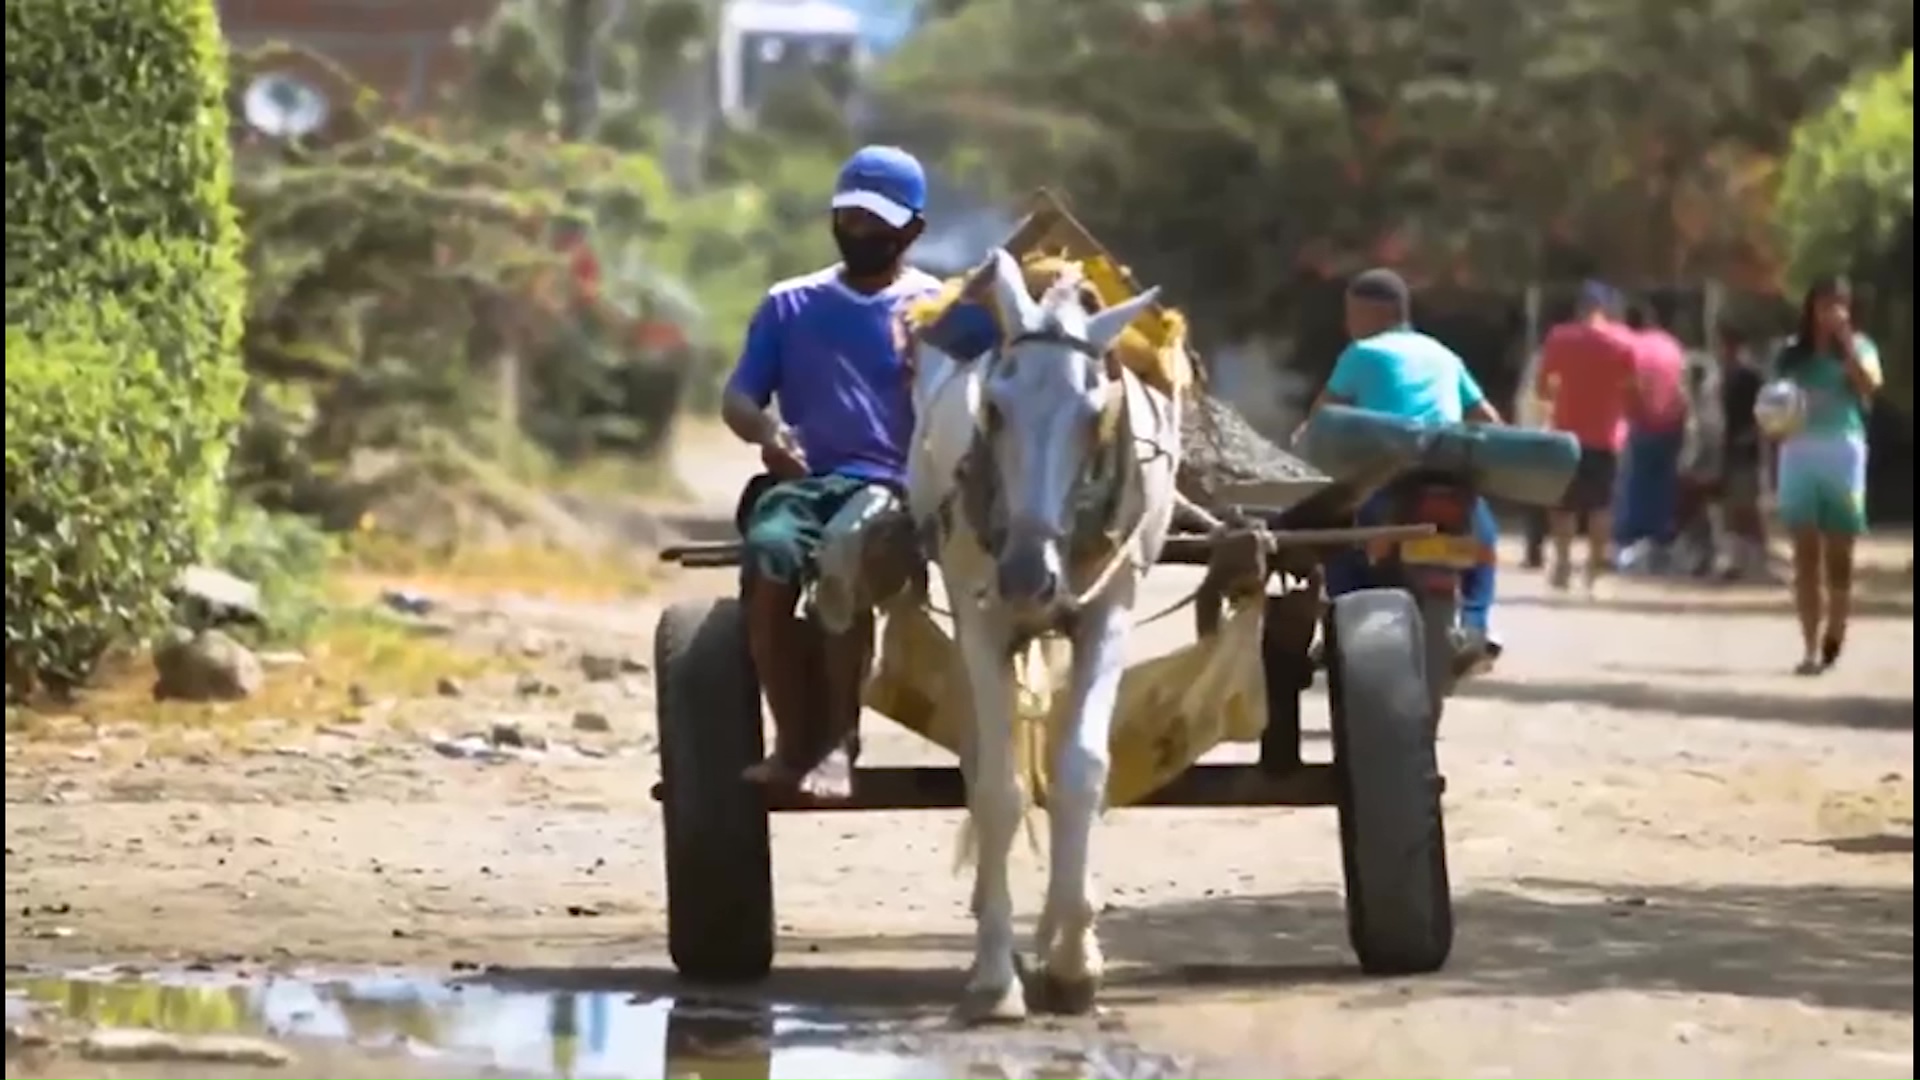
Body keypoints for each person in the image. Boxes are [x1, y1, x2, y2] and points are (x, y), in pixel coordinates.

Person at [720, 145, 945, 798]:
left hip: (897, 491)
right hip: (804, 484)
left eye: (877, 222)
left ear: (912, 230)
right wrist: (767, 432)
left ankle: (839, 747)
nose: (860, 232)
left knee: (845, 559)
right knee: (766, 562)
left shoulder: (937, 312)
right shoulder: (790, 304)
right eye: (850, 218)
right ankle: (793, 743)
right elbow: (740, 398)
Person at [1305, 268, 1505, 661]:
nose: (1348, 325)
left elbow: (1321, 417)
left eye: (1352, 314)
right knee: (1483, 540)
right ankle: (1477, 625)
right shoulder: (1443, 354)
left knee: (1337, 538)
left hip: (1385, 477)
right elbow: (1488, 419)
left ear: (1377, 314)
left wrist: (1303, 445)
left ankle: (1341, 626)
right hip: (1450, 474)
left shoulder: (1362, 353)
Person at [1767, 276, 1882, 674]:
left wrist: (1847, 343)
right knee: (1805, 552)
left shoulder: (1862, 347)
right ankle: (1810, 647)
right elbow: (1771, 405)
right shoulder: (1790, 355)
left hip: (1843, 449)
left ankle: (1837, 627)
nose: (1832, 311)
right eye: (1825, 303)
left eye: (1841, 304)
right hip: (1799, 452)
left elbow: (1868, 388)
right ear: (1811, 307)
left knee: (1840, 551)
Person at [1535, 282, 1640, 592]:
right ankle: (1594, 570)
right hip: (1607, 436)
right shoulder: (1623, 343)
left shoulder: (1560, 339)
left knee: (1563, 503)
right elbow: (1633, 392)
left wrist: (1559, 398)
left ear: (1579, 308)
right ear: (1606, 309)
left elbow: (1542, 386)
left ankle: (1563, 563)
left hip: (1566, 433)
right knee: (1601, 505)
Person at [1614, 300, 1689, 574]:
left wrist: (1637, 415)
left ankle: (1631, 542)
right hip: (1672, 423)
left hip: (1642, 423)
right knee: (1663, 484)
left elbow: (1629, 387)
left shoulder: (1629, 346)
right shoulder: (1672, 344)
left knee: (1634, 484)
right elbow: (1682, 386)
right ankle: (1661, 541)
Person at [1713, 324, 1772, 582]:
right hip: (1726, 449)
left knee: (1747, 507)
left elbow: (1762, 413)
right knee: (1730, 508)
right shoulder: (1722, 377)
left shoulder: (1749, 377)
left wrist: (1752, 435)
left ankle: (1759, 558)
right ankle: (1736, 559)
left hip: (1744, 450)